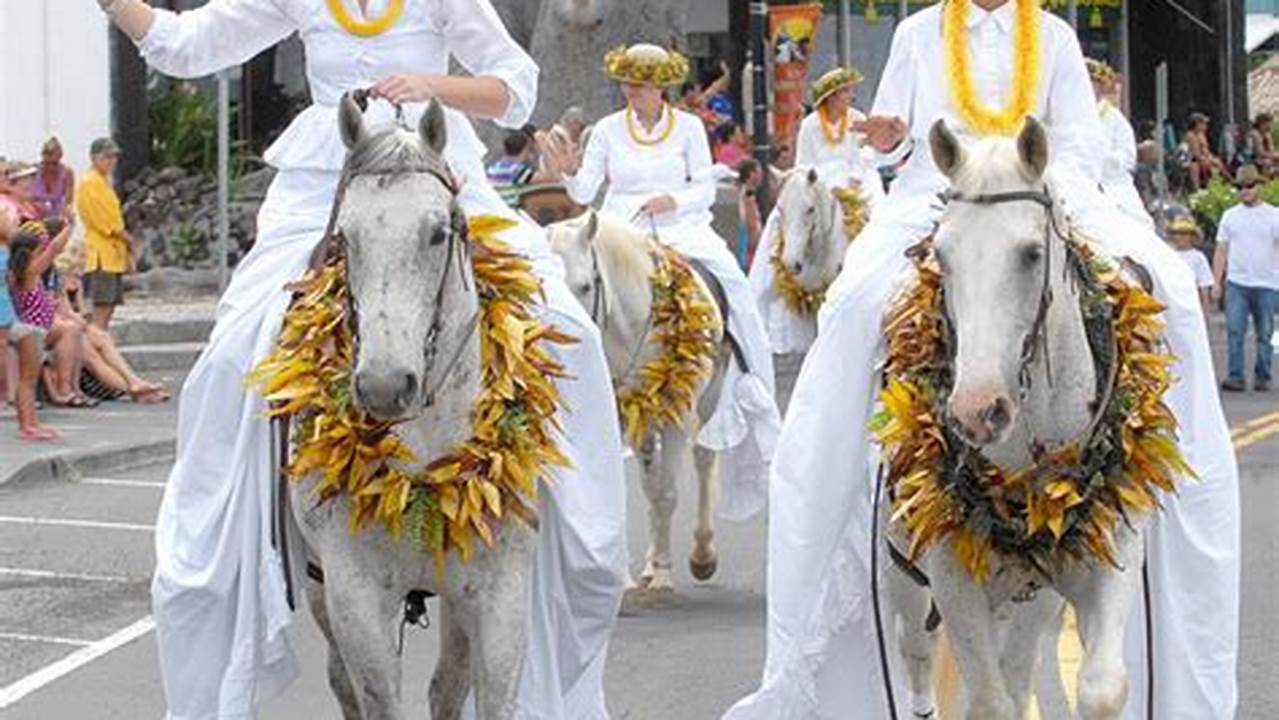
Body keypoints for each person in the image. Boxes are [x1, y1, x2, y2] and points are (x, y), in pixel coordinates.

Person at [95, 1, 627, 718]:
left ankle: (575, 537)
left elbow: (514, 84)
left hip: (437, 173)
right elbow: (186, 44)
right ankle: (225, 555)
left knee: (568, 325)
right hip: (326, 183)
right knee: (227, 362)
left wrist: (430, 87)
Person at [727, 1, 1240, 718]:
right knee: (849, 309)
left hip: (1039, 193)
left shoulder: (1054, 35)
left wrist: (1035, 181)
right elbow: (897, 141)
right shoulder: (915, 32)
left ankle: (1160, 472)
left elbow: (1079, 145)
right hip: (937, 198)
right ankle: (858, 482)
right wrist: (887, 138)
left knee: (1174, 298)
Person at [541, 42, 782, 522]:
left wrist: (672, 201)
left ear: (661, 88)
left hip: (681, 225)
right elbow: (587, 191)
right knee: (568, 274)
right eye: (628, 83)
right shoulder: (608, 129)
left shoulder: (689, 127)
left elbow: (703, 186)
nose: (633, 92)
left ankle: (751, 374)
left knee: (732, 282)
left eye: (642, 84)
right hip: (619, 227)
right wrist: (568, 172)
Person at [750, 66, 885, 357]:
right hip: (819, 179)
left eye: (850, 91)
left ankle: (880, 264)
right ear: (832, 96)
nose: (850, 96)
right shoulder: (812, 124)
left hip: (854, 176)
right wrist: (816, 182)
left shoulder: (858, 119)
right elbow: (803, 163)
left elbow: (866, 154)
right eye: (845, 91)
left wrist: (855, 176)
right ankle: (772, 268)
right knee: (786, 214)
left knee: (879, 210)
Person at [1213, 165, 1278, 392]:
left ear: (1259, 186)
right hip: (1237, 282)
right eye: (1240, 187)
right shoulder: (1230, 216)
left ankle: (1263, 374)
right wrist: (1217, 281)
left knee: (1265, 332)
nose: (1245, 191)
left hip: (1267, 282)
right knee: (1235, 330)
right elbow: (1221, 249)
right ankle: (1235, 375)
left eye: (1249, 186)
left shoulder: (1273, 215)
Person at [0, 212, 55, 440]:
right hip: (8, 322)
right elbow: (52, 249)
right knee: (28, 378)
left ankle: (31, 422)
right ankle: (27, 425)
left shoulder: (9, 258)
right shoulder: (14, 262)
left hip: (13, 322)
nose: (11, 221)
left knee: (29, 378)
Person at [77, 137, 133, 332]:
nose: (111, 161)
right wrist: (128, 238)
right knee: (102, 307)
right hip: (101, 254)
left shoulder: (103, 181)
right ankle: (95, 348)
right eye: (106, 156)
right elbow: (104, 222)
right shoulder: (90, 182)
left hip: (113, 254)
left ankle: (100, 344)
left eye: (114, 157)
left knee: (109, 306)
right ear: (93, 157)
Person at [1087, 58, 1149, 227]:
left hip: (1113, 186)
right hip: (1077, 183)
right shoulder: (1067, 117)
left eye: (1092, 82)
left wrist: (1102, 158)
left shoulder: (1114, 118)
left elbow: (1128, 156)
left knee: (1138, 226)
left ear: (1100, 86)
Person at [1167, 214, 1214, 321]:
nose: (1180, 237)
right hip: (1171, 303)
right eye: (1177, 233)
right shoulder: (1167, 255)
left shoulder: (1198, 258)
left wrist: (1205, 311)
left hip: (1192, 303)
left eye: (1185, 233)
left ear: (1192, 236)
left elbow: (1204, 285)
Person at [32, 138, 76, 220]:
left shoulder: (67, 173)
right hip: (35, 216)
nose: (51, 167)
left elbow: (68, 201)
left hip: (58, 218)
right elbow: (25, 197)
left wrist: (65, 212)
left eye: (54, 163)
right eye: (47, 163)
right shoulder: (33, 171)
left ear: (60, 158)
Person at [735, 159, 764, 270]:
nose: (762, 176)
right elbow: (752, 227)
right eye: (759, 172)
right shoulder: (747, 196)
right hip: (746, 256)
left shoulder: (737, 191)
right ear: (752, 174)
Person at [1186, 112, 1226, 190]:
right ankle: (1199, 188)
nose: (1206, 126)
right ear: (1197, 124)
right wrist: (1208, 159)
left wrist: (1211, 157)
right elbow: (1195, 154)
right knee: (1213, 165)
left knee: (1218, 163)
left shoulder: (1201, 135)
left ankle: (1220, 184)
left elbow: (1206, 150)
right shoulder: (1191, 135)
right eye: (1203, 123)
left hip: (1205, 157)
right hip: (1194, 160)